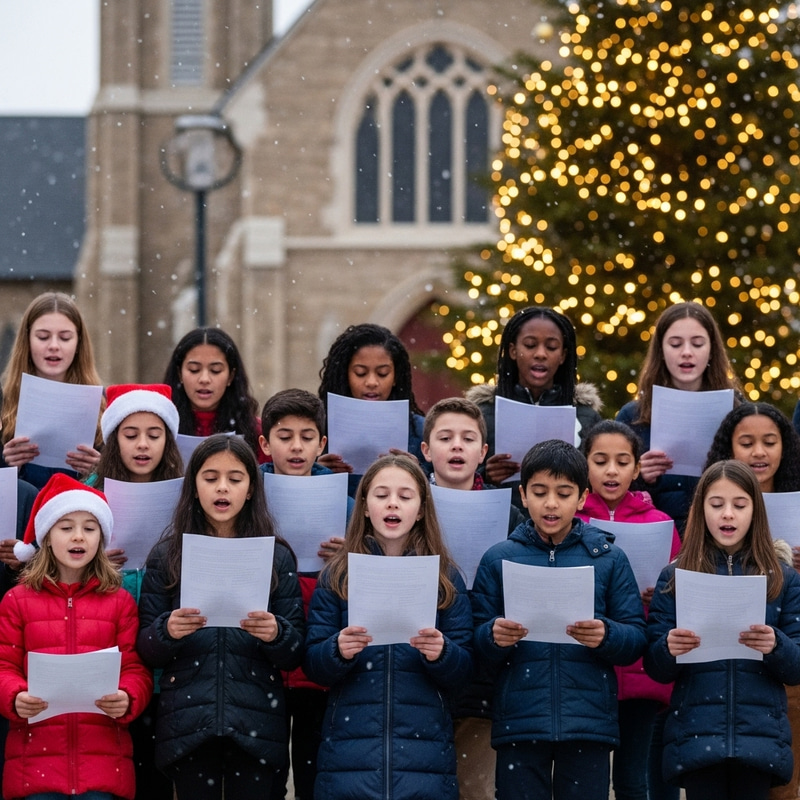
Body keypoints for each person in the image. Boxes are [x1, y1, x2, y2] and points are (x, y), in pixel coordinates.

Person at [471, 439, 646, 800]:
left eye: (564, 493)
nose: (551, 503)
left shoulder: (609, 558)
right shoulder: (498, 558)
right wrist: (493, 636)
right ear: (522, 495)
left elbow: (635, 638)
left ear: (582, 498)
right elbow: (474, 640)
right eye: (539, 492)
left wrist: (606, 634)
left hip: (587, 722)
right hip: (520, 719)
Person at [137, 434, 305, 800]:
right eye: (210, 478)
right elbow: (146, 648)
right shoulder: (168, 555)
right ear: (194, 488)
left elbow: (295, 651)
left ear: (251, 489)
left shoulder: (276, 557)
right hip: (188, 724)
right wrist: (167, 630)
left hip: (256, 723)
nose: (222, 488)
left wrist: (276, 632)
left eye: (235, 478)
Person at [304, 454, 473, 800]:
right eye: (381, 495)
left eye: (405, 496)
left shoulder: (445, 578)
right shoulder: (338, 576)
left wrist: (443, 654)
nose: (392, 503)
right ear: (364, 506)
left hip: (423, 752)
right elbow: (313, 663)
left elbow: (465, 669)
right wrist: (337, 650)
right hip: (351, 751)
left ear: (422, 510)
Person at [644, 460, 800, 799]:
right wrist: (670, 647)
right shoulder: (675, 576)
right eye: (716, 505)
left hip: (759, 739)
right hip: (698, 737)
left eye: (739, 505)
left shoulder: (782, 578)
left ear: (755, 512)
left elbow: (797, 667)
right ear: (701, 510)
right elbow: (655, 667)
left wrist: (776, 644)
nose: (727, 514)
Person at [0, 473, 153, 800]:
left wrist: (127, 697)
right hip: (34, 767)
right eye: (66, 527)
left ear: (102, 537)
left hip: (102, 767)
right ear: (47, 535)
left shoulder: (119, 601)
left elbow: (136, 669)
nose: (78, 537)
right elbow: (3, 666)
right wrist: (15, 695)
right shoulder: (17, 601)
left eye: (89, 527)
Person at [420, 396, 523, 800]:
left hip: (483, 678)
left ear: (483, 452)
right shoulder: (403, 508)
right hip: (421, 670)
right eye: (445, 438)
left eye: (468, 439)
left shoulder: (511, 515)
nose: (457, 446)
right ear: (426, 450)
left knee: (475, 788)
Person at [90, 383, 185, 800]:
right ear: (114, 439)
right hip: (111, 647)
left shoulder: (188, 493)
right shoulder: (87, 494)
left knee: (161, 774)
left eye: (154, 433)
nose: (143, 445)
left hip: (170, 652)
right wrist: (94, 566)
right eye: (131, 435)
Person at [578, 420, 681, 800]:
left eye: (622, 462)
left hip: (639, 670)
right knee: (584, 775)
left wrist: (662, 596)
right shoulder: (574, 521)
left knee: (632, 776)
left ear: (637, 469)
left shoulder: (659, 523)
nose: (611, 471)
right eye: (600, 460)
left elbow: (676, 589)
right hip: (588, 663)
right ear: (584, 464)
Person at [258, 388, 352, 800]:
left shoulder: (346, 504)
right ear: (264, 443)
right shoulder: (247, 496)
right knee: (266, 773)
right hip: (265, 653)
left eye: (307, 436)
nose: (296, 446)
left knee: (315, 771)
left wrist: (348, 554)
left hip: (319, 648)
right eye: (284, 435)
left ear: (322, 443)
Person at [704, 404, 800, 800]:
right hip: (733, 665)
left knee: (784, 775)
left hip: (787, 649)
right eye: (747, 443)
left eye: (770, 442)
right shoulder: (710, 506)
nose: (759, 452)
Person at [616, 301, 741, 534]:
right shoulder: (632, 416)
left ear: (712, 349)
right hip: (653, 533)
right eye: (675, 344)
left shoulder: (737, 413)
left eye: (697, 343)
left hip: (717, 535)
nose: (686, 352)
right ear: (661, 351)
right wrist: (637, 475)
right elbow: (606, 487)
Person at [466, 306, 603, 503]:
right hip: (504, 522)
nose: (540, 354)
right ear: (513, 351)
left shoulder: (585, 416)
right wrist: (485, 475)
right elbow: (455, 474)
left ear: (563, 355)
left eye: (551, 347)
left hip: (563, 524)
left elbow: (599, 478)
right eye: (530, 345)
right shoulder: (483, 414)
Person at [1, 292, 104, 488]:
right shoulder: (3, 403)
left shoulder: (103, 406)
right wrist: (6, 465)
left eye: (65, 338)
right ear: (27, 341)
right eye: (43, 337)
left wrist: (98, 470)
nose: (54, 346)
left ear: (78, 344)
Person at [316, 323, 427, 487]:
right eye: (360, 373)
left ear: (396, 376)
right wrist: (315, 471)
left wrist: (417, 474)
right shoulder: (317, 427)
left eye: (383, 373)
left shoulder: (420, 430)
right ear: (344, 375)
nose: (372, 382)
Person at [162, 327, 266, 463]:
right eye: (194, 370)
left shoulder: (257, 432)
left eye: (215, 370)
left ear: (231, 376)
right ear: (180, 373)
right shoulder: (159, 428)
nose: (204, 379)